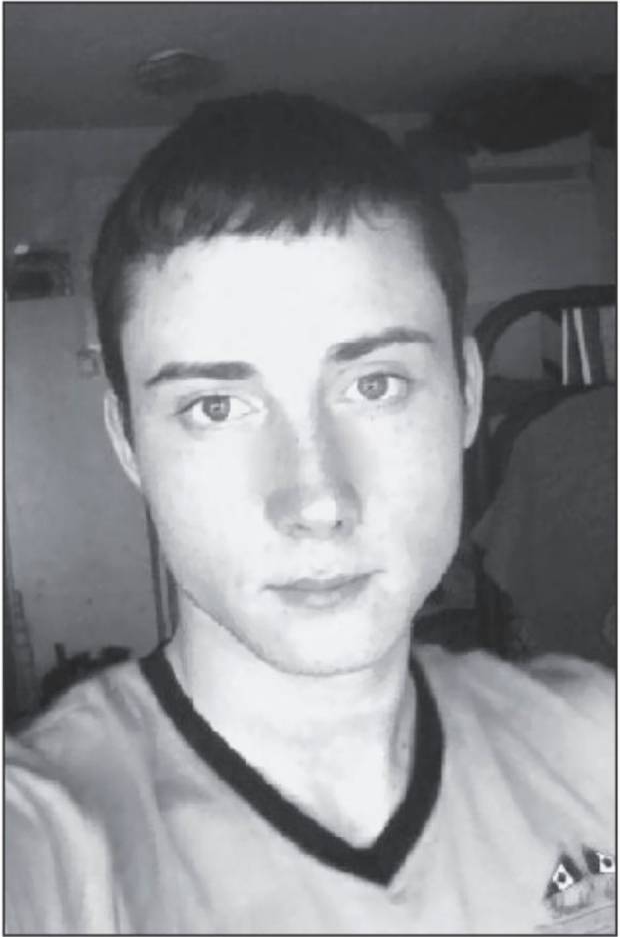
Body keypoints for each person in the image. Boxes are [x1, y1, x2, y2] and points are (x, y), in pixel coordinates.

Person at [5, 92, 614, 935]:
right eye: (216, 407)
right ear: (129, 443)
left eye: (376, 385)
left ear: (468, 393)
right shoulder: (44, 847)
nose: (318, 499)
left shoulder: (591, 739)